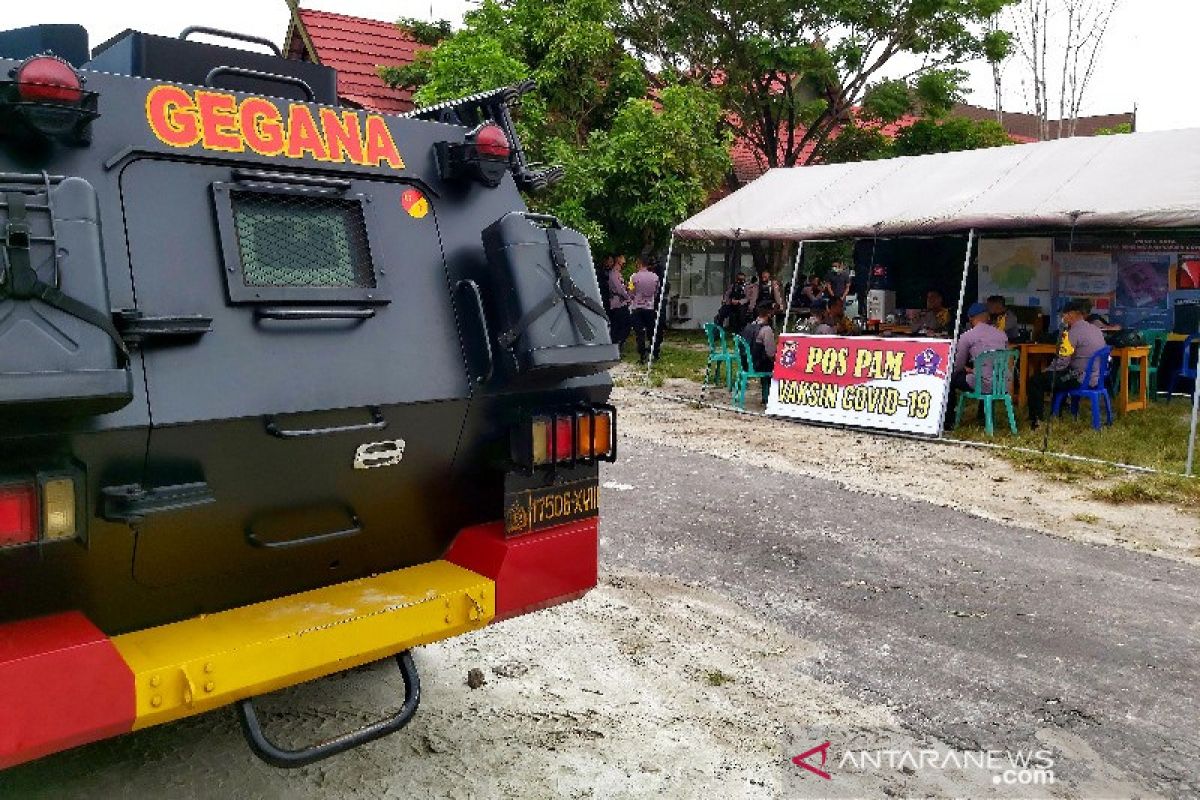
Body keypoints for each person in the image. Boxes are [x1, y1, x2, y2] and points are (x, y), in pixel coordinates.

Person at [1026, 300, 1108, 428]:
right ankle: (1059, 411)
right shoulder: (1095, 329)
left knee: (1036, 381)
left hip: (1080, 378)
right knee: (1062, 376)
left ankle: (1036, 421)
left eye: (1063, 316)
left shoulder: (1072, 333)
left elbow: (1062, 362)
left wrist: (1047, 371)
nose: (1062, 319)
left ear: (1070, 315)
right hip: (1096, 377)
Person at [945, 302, 1010, 429]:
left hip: (983, 383)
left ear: (970, 318)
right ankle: (983, 417)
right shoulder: (1002, 335)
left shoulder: (967, 336)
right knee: (984, 374)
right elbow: (996, 361)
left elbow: (958, 365)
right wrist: (974, 370)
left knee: (949, 380)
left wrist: (965, 369)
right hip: (1002, 383)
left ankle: (948, 421)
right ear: (988, 317)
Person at [740, 303, 777, 405]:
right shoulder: (766, 330)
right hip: (758, 365)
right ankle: (771, 397)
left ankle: (766, 396)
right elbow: (771, 353)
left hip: (745, 364)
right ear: (769, 314)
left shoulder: (748, 326)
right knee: (778, 365)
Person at [629, 258, 660, 363]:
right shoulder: (655, 277)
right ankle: (654, 353)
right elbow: (656, 292)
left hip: (637, 307)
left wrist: (634, 297)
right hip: (649, 307)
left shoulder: (634, 277)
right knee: (651, 332)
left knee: (640, 333)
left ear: (639, 264)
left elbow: (631, 292)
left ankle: (642, 355)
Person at [606, 256, 632, 353]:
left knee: (620, 325)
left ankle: (617, 344)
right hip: (618, 303)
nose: (624, 264)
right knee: (623, 324)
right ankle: (617, 344)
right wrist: (628, 297)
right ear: (619, 262)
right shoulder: (614, 273)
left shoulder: (617, 273)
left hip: (620, 302)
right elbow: (619, 289)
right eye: (623, 262)